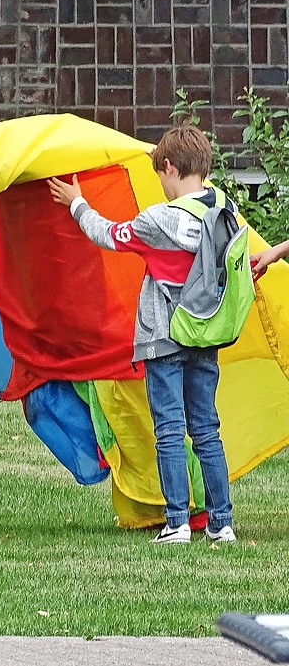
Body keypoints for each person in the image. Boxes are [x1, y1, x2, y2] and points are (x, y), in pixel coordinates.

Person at [48, 124, 237, 545]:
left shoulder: (160, 220)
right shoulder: (224, 210)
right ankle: (221, 522)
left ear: (168, 167)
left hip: (165, 338)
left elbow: (108, 234)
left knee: (169, 429)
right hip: (205, 337)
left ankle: (177, 522)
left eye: (160, 177)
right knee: (206, 429)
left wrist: (77, 203)